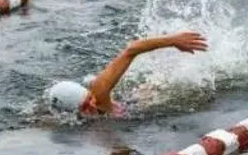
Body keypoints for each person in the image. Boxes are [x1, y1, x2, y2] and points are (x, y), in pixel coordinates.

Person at [46, 31, 208, 115]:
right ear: (74, 112)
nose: (93, 105)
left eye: (89, 99)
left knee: (160, 88)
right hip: (127, 109)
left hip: (133, 103)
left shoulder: (99, 92)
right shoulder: (78, 122)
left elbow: (132, 49)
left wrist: (173, 41)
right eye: (85, 107)